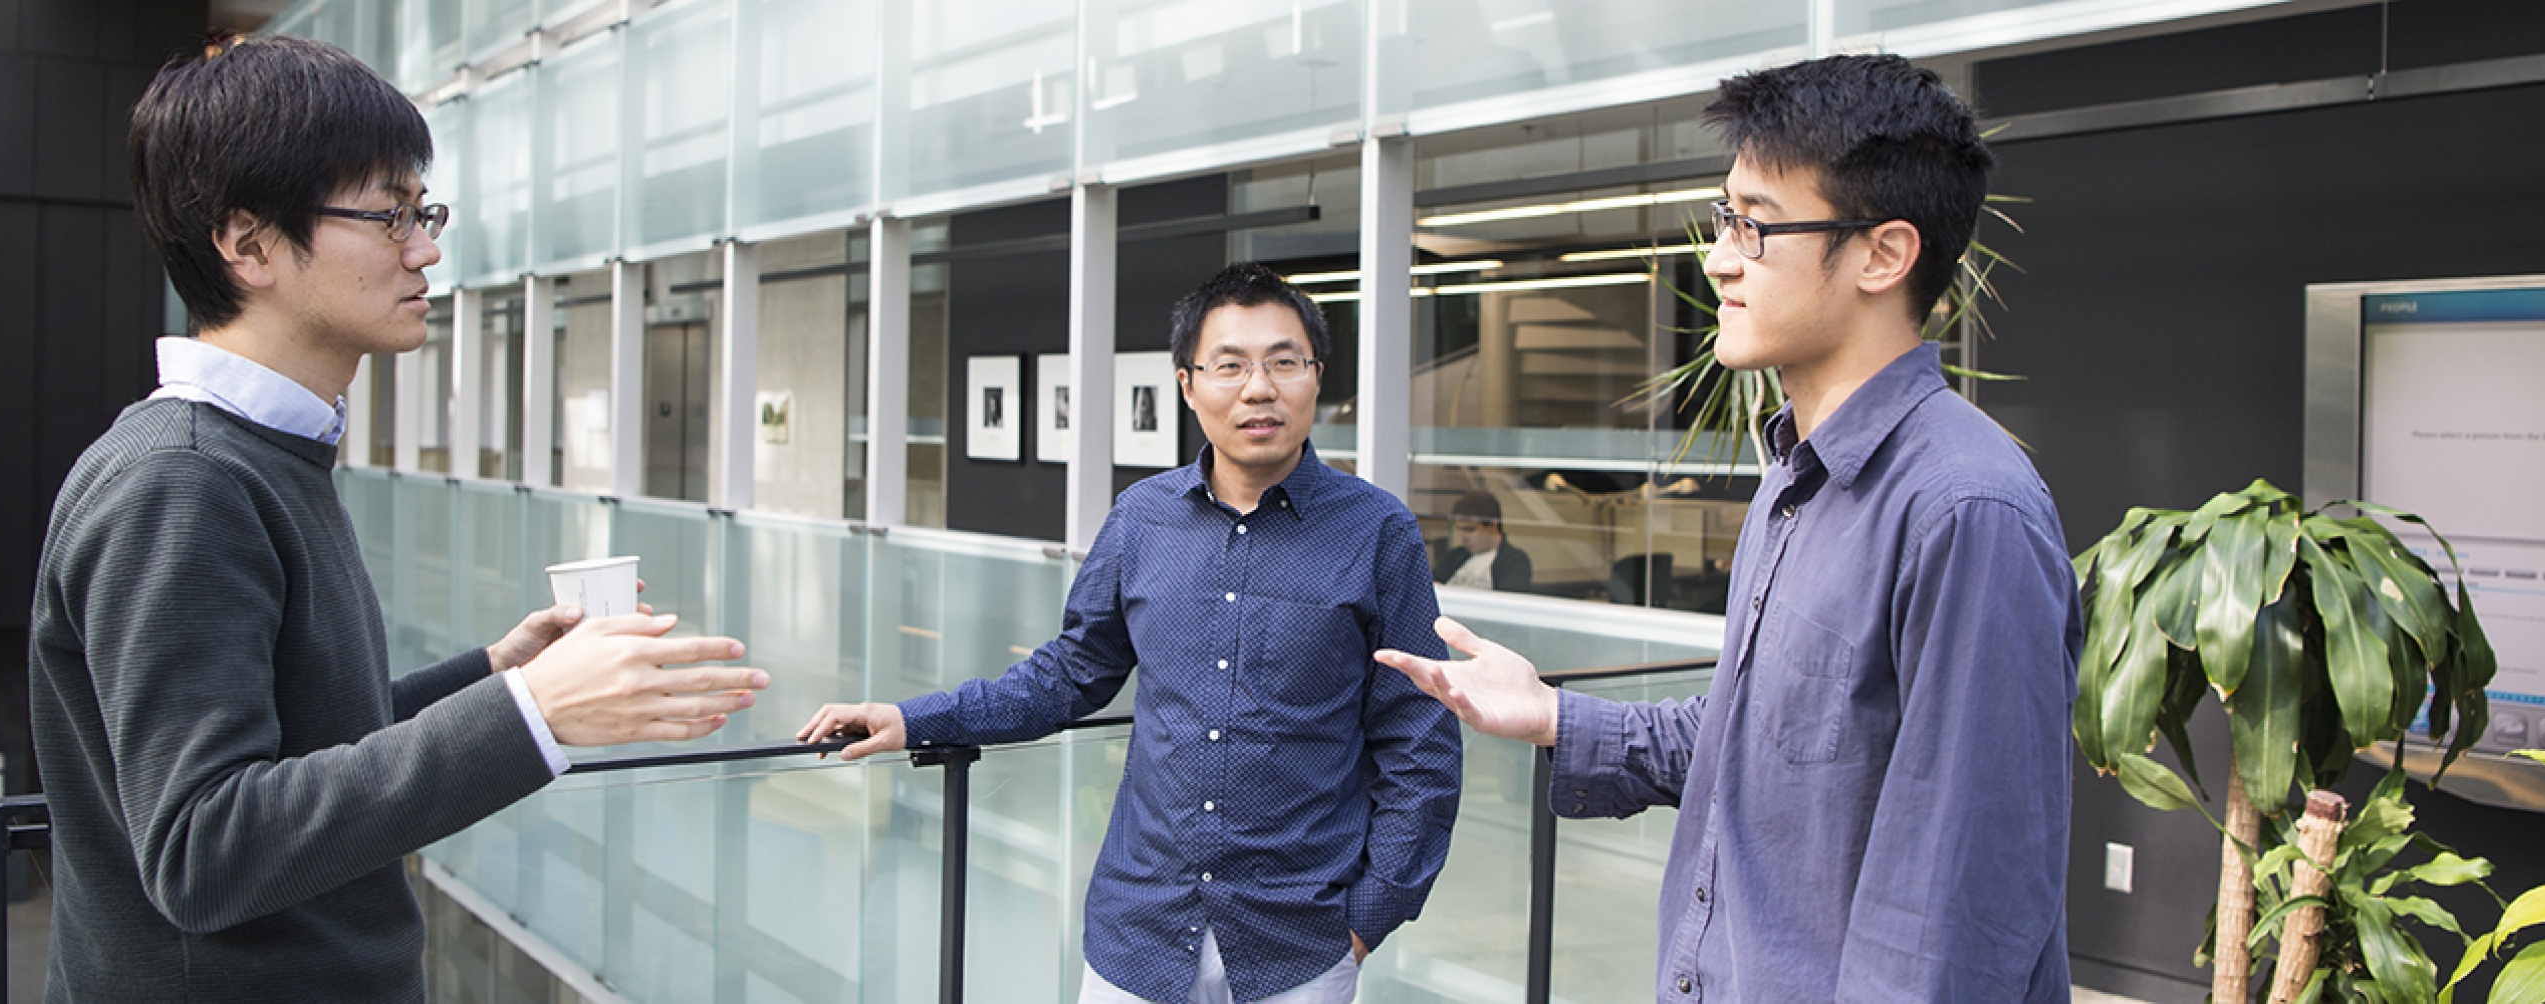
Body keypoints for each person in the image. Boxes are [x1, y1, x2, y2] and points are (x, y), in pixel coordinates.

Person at [30, 36, 767, 1002]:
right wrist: (534, 714)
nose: (424, 248)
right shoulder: (184, 483)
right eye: (388, 217)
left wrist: (496, 675)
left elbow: (306, 746)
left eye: (424, 213)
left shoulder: (258, 457)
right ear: (247, 243)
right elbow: (204, 847)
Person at [1376, 55, 2081, 1003]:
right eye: (1725, 217)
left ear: (1884, 254)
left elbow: (1951, 926)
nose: (1718, 257)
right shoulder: (1798, 475)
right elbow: (1768, 737)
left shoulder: (1965, 513)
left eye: (1756, 225)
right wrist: (1553, 714)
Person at [797, 263, 1463, 1004]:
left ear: (1316, 377)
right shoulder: (1142, 518)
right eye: (1230, 365)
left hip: (1300, 946)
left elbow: (1420, 743)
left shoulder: (1377, 533)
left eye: (1284, 362)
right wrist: (911, 718)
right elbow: (1071, 672)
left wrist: (1366, 921)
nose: (1258, 388)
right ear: (1187, 384)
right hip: (1139, 934)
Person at [1432, 491, 1531, 593]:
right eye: (1460, 530)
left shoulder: (1514, 561)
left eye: (1470, 530)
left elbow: (1507, 603)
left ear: (1493, 526)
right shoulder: (1454, 556)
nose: (1463, 538)